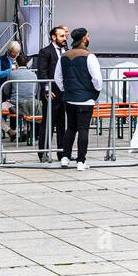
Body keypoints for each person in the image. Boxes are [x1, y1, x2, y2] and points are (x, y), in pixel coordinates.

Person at [54, 27, 102, 171]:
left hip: (69, 99)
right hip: (86, 99)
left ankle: (65, 157)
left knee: (71, 129)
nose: (89, 38)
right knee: (83, 130)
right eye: (88, 36)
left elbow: (58, 78)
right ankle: (81, 161)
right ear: (83, 39)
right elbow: (97, 79)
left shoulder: (64, 56)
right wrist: (95, 92)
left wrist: (65, 90)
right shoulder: (89, 56)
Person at [35, 25, 68, 163]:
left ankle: (62, 153)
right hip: (51, 94)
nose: (65, 38)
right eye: (61, 36)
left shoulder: (66, 51)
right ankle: (43, 153)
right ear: (53, 37)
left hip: (64, 94)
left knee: (62, 125)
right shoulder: (45, 52)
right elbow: (42, 73)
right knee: (48, 124)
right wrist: (47, 90)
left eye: (65, 36)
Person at [0, 53, 39, 140]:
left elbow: (6, 90)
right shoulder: (34, 75)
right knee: (26, 110)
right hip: (30, 104)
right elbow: (35, 91)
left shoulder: (12, 74)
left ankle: (10, 131)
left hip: (15, 104)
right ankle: (25, 130)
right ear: (27, 63)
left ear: (17, 63)